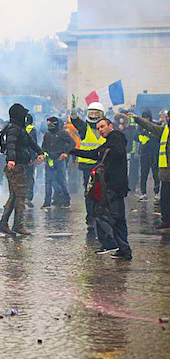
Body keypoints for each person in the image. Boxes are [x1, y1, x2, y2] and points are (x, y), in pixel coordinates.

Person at [70, 117, 132, 260]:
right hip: (114, 186)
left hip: (114, 185)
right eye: (98, 128)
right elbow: (93, 153)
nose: (100, 130)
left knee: (101, 214)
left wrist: (103, 152)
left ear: (110, 126)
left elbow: (116, 151)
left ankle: (111, 243)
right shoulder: (108, 142)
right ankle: (124, 250)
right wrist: (74, 151)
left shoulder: (116, 137)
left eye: (103, 126)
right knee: (118, 219)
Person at [0, 104, 44, 235]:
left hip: (19, 165)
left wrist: (40, 152)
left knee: (14, 196)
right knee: (20, 196)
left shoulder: (18, 128)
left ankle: (4, 224)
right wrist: (12, 159)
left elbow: (30, 143)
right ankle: (17, 225)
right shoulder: (14, 129)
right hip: (16, 166)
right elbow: (11, 144)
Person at [70, 99, 106, 237]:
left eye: (97, 113)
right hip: (87, 166)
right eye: (92, 113)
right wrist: (73, 110)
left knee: (102, 191)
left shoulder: (105, 127)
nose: (94, 115)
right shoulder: (84, 127)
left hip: (102, 165)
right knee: (89, 192)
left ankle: (100, 216)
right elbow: (75, 121)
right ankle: (90, 218)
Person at [133, 112, 170, 230]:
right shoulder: (164, 130)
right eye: (167, 116)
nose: (167, 118)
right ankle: (166, 221)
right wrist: (138, 119)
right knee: (164, 199)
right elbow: (151, 127)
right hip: (166, 172)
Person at [41, 116, 75, 208]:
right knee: (48, 181)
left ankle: (66, 200)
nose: (49, 126)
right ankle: (47, 202)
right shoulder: (47, 134)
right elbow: (43, 146)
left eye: (50, 123)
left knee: (62, 180)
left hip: (60, 160)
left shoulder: (63, 133)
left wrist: (66, 153)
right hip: (50, 160)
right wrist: (43, 154)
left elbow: (72, 143)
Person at [136, 110, 161, 202]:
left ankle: (157, 192)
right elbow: (136, 137)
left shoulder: (155, 125)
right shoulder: (140, 127)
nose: (146, 119)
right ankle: (143, 193)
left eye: (147, 117)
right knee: (143, 174)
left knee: (156, 174)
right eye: (144, 117)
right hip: (144, 154)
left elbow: (158, 136)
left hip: (154, 154)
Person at [25, 114, 38, 207]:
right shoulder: (32, 129)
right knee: (29, 177)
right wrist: (32, 157)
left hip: (18, 158)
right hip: (28, 157)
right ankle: (28, 197)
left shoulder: (17, 127)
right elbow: (33, 145)